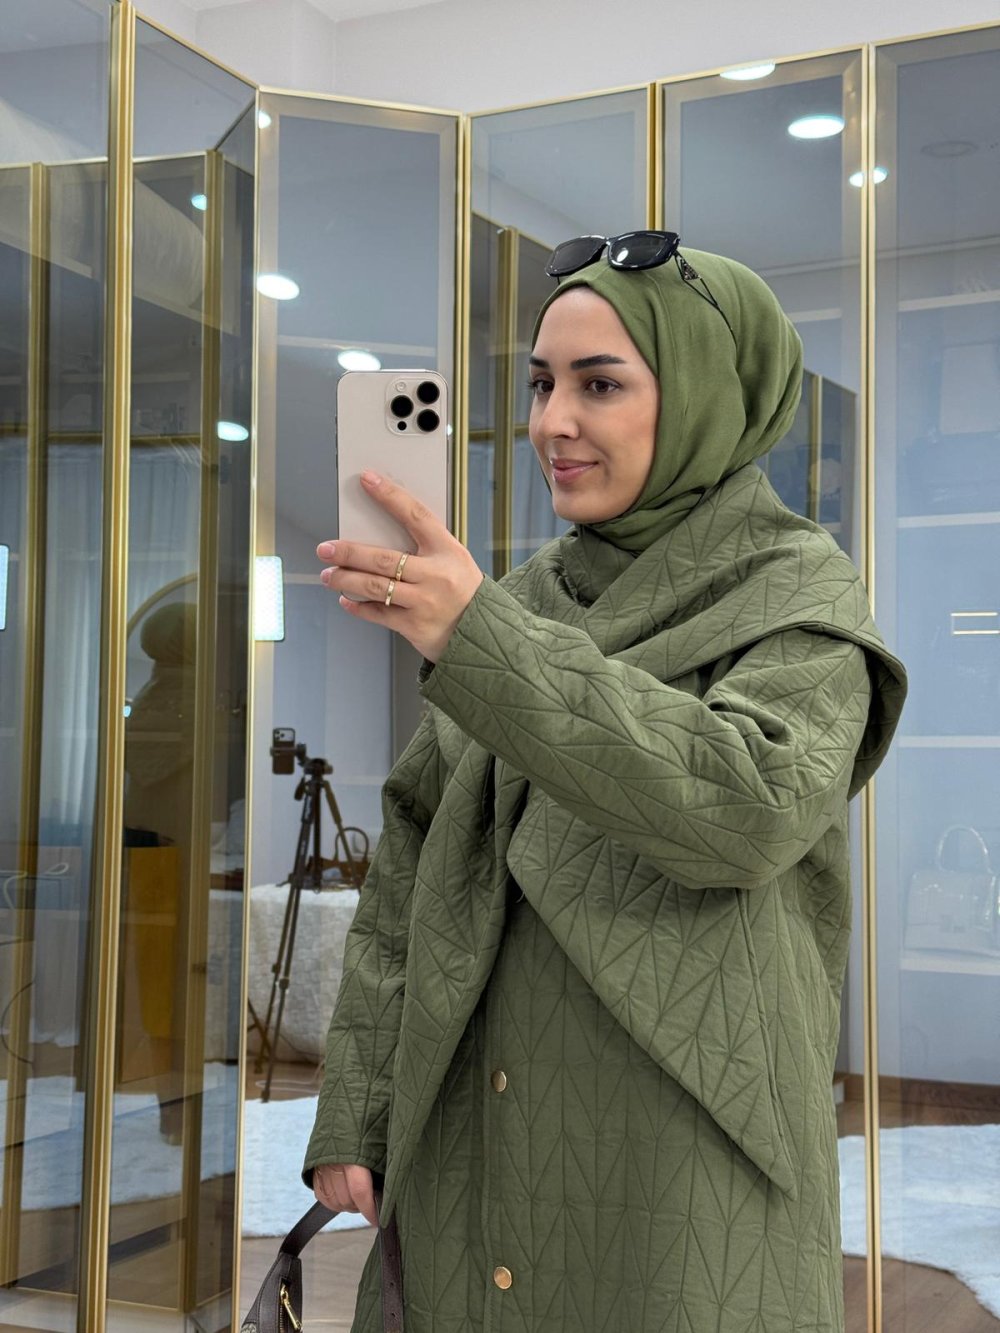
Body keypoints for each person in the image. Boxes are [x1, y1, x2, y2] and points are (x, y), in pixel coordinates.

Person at [303, 233, 907, 1332]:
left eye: (600, 384)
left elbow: (743, 809)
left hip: (679, 1155)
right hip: (470, 1130)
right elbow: (413, 856)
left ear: (709, 396)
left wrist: (481, 640)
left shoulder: (801, 597)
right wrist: (358, 1102)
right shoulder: (521, 600)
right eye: (541, 384)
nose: (552, 422)